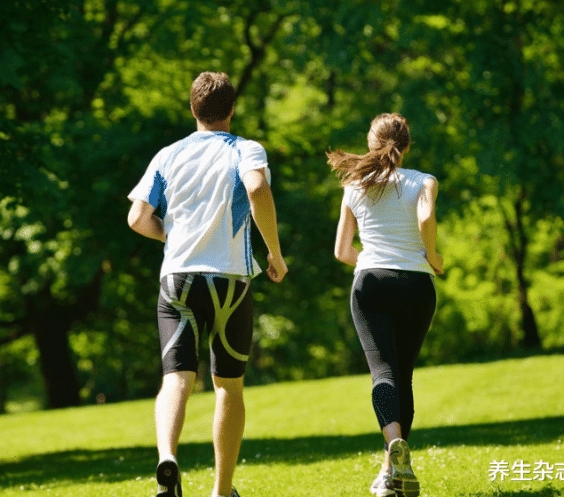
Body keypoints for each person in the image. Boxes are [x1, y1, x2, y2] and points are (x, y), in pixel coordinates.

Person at [128, 71, 288, 497]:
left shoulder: (167, 155)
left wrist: (175, 236)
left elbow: (137, 218)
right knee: (227, 385)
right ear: (232, 110)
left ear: (193, 109)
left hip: (176, 279)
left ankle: (167, 458)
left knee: (176, 378)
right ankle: (221, 490)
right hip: (230, 279)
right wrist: (273, 252)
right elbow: (256, 188)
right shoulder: (245, 149)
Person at [327, 113, 443, 497]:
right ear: (407, 144)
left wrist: (368, 258)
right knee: (403, 376)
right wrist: (433, 256)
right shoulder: (424, 181)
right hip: (416, 285)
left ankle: (392, 455)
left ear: (371, 143)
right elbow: (425, 216)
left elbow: (342, 251)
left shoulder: (353, 185)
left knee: (383, 375)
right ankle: (391, 472)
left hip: (371, 284)